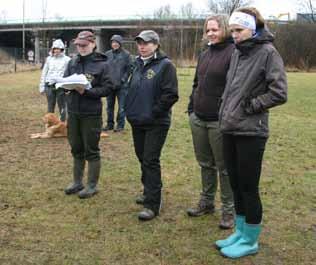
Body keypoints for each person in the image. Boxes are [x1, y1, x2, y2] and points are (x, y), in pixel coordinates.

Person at [215, 8, 287, 258]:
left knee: (248, 186)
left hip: (251, 132)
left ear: (252, 28)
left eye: (239, 30)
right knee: (235, 184)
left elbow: (279, 92)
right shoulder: (237, 52)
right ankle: (240, 232)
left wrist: (252, 105)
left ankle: (251, 240)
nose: (234, 35)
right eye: (232, 30)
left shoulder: (268, 53)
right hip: (229, 128)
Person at [186, 15, 235, 229]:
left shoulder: (234, 53)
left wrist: (226, 115)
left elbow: (234, 89)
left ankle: (228, 210)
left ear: (224, 29)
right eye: (208, 30)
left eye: (214, 29)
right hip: (199, 118)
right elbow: (197, 83)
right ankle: (206, 202)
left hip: (219, 121)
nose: (211, 33)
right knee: (205, 164)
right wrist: (191, 109)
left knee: (224, 168)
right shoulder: (205, 53)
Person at [125, 30, 179, 221]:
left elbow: (171, 95)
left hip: (156, 122)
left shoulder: (166, 66)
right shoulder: (135, 64)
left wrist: (153, 112)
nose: (142, 46)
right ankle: (148, 191)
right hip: (137, 120)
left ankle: (152, 204)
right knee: (142, 157)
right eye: (139, 42)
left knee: (150, 159)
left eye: (146, 43)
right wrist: (129, 108)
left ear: (156, 44)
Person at [63, 31, 114, 199]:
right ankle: (77, 182)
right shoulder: (72, 62)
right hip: (73, 112)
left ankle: (92, 185)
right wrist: (63, 86)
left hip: (91, 113)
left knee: (91, 149)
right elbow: (65, 80)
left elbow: (108, 89)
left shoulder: (103, 64)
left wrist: (86, 91)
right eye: (78, 45)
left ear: (93, 44)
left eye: (84, 45)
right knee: (76, 148)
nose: (81, 48)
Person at [103, 35, 132, 132]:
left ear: (120, 43)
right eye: (113, 42)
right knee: (109, 107)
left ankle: (120, 125)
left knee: (122, 107)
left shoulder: (126, 55)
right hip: (110, 85)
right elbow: (104, 68)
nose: (114, 44)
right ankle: (110, 124)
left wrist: (123, 80)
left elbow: (129, 69)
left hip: (122, 86)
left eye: (116, 42)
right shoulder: (107, 54)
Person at [39, 39, 70, 121]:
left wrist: (68, 87)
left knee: (62, 106)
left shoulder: (67, 60)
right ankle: (49, 123)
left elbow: (69, 73)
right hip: (49, 85)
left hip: (61, 86)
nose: (56, 51)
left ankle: (63, 123)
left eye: (58, 49)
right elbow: (44, 73)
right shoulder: (49, 59)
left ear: (62, 49)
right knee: (50, 106)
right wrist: (42, 86)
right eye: (54, 49)